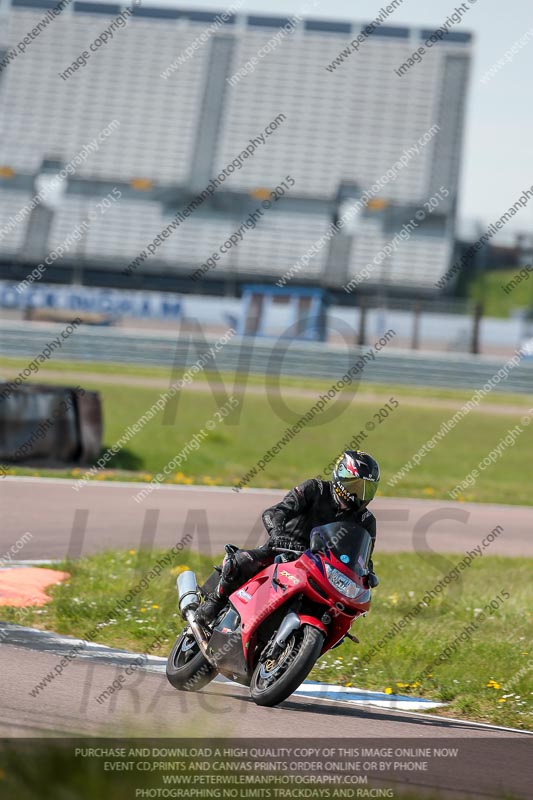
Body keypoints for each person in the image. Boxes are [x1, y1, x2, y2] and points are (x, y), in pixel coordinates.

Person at [195, 450, 380, 627]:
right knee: (242, 561)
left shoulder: (366, 521)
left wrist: (367, 576)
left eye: (368, 489)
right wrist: (278, 535)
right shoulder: (314, 489)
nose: (361, 495)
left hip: (323, 569)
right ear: (342, 478)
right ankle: (215, 602)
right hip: (283, 550)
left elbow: (364, 560)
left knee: (339, 614)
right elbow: (274, 512)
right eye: (357, 486)